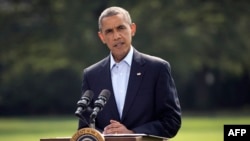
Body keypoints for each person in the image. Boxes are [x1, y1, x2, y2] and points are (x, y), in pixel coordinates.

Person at [77, 6, 181, 138]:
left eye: (121, 28)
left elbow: (171, 121)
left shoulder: (157, 68)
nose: (116, 36)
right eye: (109, 31)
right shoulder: (91, 75)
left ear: (132, 29)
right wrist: (105, 135)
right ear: (102, 37)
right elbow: (85, 126)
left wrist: (132, 134)